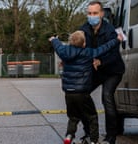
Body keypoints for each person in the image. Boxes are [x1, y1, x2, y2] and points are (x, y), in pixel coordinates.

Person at [49, 30, 123, 144]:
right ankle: (93, 140)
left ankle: (69, 136)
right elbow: (104, 48)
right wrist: (117, 40)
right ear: (84, 43)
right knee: (92, 116)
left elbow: (57, 46)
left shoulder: (64, 51)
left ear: (70, 42)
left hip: (69, 93)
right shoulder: (88, 52)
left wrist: (54, 39)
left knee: (73, 117)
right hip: (82, 92)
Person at [80, 1, 125, 144]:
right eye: (89, 13)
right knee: (81, 96)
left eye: (95, 13)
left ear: (101, 14)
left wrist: (101, 61)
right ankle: (89, 133)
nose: (92, 16)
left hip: (112, 70)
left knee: (107, 97)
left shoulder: (110, 30)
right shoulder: (83, 30)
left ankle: (111, 137)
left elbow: (113, 53)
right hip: (95, 71)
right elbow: (78, 47)